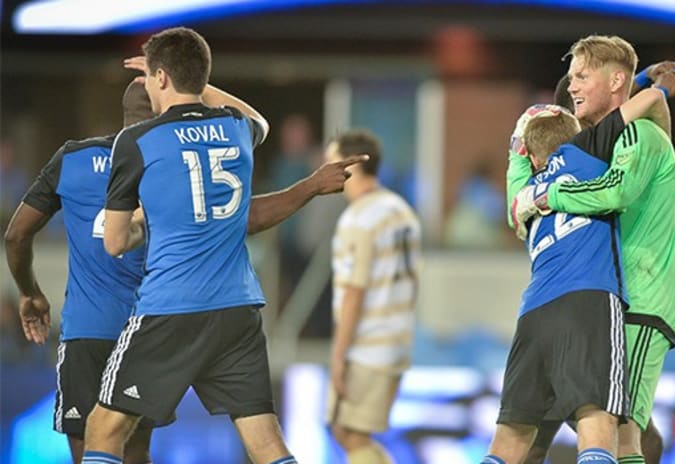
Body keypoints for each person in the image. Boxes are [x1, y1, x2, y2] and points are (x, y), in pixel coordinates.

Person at [82, 27, 300, 464]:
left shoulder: (136, 142)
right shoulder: (237, 129)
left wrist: (145, 223)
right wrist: (194, 81)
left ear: (158, 78)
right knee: (265, 442)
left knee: (104, 429)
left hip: (170, 309)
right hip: (238, 308)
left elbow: (115, 242)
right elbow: (259, 120)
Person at [512, 35, 675, 464]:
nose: (572, 88)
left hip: (639, 303)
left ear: (614, 82)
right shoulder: (597, 148)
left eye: (581, 77)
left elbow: (617, 192)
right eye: (572, 78)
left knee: (625, 436)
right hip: (597, 303)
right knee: (547, 434)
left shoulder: (639, 135)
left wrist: (549, 195)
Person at [4, 81, 161, 464]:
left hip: (85, 335)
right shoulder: (170, 163)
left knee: (89, 453)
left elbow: (16, 236)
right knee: (136, 450)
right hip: (143, 332)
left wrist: (30, 293)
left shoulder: (72, 158)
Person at [325, 129, 422, 464]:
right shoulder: (401, 210)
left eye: (330, 162)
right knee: (350, 431)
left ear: (349, 165)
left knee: (347, 431)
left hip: (367, 344)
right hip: (397, 339)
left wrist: (339, 356)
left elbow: (355, 290)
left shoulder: (358, 218)